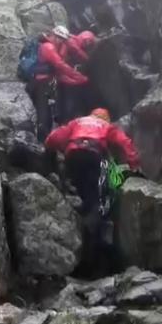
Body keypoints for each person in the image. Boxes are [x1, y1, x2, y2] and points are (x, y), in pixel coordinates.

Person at [45, 108, 140, 276]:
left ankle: (81, 223)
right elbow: (125, 143)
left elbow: (54, 137)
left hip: (73, 156)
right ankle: (90, 245)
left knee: (84, 194)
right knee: (97, 201)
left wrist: (48, 155)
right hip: (94, 156)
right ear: (106, 118)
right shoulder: (106, 126)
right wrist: (134, 165)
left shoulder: (78, 121)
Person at [26, 26, 98, 141]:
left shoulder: (52, 45)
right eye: (58, 38)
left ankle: (46, 138)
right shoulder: (48, 47)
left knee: (48, 111)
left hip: (46, 81)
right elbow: (60, 65)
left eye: (62, 39)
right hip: (41, 82)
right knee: (43, 112)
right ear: (53, 35)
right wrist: (79, 78)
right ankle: (42, 139)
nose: (60, 41)